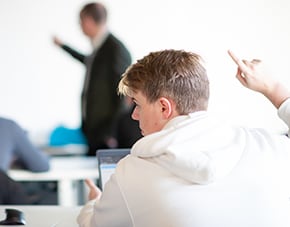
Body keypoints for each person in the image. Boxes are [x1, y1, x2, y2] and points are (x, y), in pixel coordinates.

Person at [77, 49, 290, 227]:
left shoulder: (131, 173)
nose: (134, 115)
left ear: (163, 107)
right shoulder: (268, 147)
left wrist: (93, 203)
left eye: (137, 105)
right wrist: (273, 88)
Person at [53, 2, 132, 156]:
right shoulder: (100, 48)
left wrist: (111, 132)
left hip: (105, 133)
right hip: (94, 130)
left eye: (80, 22)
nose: (80, 26)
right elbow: (87, 61)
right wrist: (63, 46)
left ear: (88, 21)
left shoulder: (115, 49)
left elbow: (124, 93)